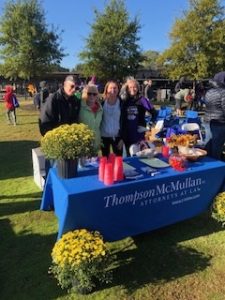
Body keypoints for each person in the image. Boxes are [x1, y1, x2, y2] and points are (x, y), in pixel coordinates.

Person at [120, 78, 157, 156]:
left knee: (139, 154)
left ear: (138, 88)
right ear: (127, 88)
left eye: (135, 87)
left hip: (138, 132)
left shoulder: (142, 99)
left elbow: (154, 112)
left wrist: (150, 124)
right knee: (127, 155)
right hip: (126, 132)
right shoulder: (124, 100)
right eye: (130, 87)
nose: (132, 89)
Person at [204, 71, 225, 161]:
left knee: (208, 143)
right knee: (217, 145)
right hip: (219, 122)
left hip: (207, 121)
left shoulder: (209, 92)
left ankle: (207, 164)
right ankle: (215, 166)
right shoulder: (223, 92)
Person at [100, 81, 123, 157]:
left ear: (118, 90)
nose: (113, 90)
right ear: (106, 89)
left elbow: (124, 122)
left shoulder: (122, 103)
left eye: (115, 88)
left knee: (118, 160)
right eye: (110, 88)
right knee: (105, 159)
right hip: (103, 136)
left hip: (117, 137)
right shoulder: (101, 103)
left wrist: (122, 138)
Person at [79, 84, 103, 153]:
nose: (92, 96)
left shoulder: (101, 109)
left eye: (94, 94)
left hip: (96, 144)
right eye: (89, 93)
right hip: (83, 145)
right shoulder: (79, 107)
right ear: (85, 94)